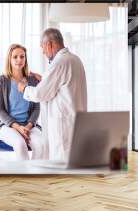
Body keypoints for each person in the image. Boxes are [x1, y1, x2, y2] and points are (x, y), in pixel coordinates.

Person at [18, 28, 87, 161]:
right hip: (75, 122)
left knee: (61, 164)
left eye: (43, 47)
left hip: (63, 126)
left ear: (49, 44)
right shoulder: (74, 59)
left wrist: (24, 89)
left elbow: (39, 94)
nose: (43, 52)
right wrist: (44, 79)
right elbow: (64, 86)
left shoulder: (59, 62)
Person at [0, 44, 45, 160]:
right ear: (9, 59)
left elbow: (36, 108)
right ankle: (23, 177)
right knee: (20, 145)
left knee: (41, 145)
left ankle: (35, 176)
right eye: (15, 57)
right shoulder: (0, 81)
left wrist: (28, 126)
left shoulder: (32, 81)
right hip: (6, 126)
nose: (19, 60)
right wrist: (18, 127)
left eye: (22, 56)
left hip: (28, 125)